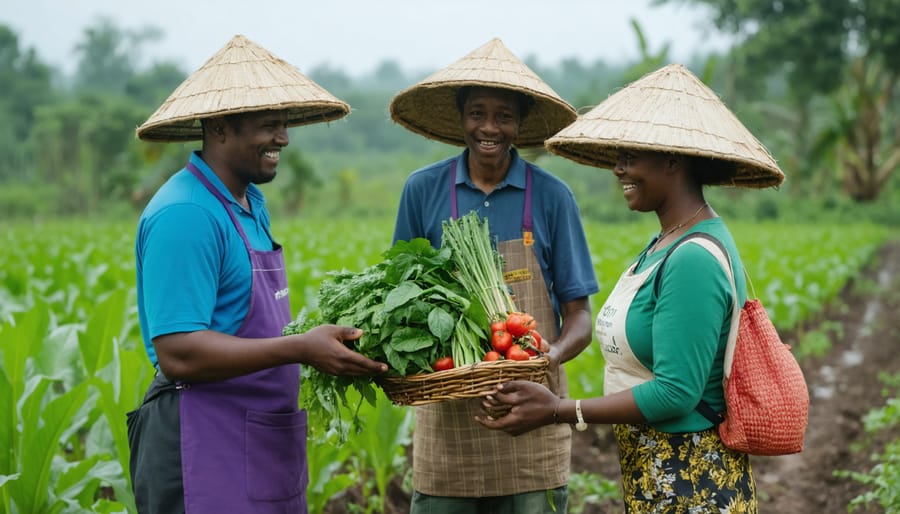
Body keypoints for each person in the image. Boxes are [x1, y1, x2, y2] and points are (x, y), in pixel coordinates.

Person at [476, 63, 787, 513]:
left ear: (672, 159)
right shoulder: (666, 241)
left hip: (691, 479)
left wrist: (561, 409)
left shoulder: (693, 258)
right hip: (658, 470)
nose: (618, 167)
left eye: (630, 155)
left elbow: (676, 392)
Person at [126, 34, 387, 514]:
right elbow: (179, 353)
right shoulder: (186, 214)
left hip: (259, 442)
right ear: (221, 126)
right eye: (270, 126)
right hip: (203, 445)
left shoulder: (249, 202)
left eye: (284, 125)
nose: (283, 139)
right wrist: (301, 348)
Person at [389, 38, 600, 513]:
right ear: (460, 117)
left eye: (504, 115)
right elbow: (401, 297)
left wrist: (549, 356)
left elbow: (579, 315)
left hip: (532, 416)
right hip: (449, 422)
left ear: (520, 124)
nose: (489, 127)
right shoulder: (422, 190)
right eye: (477, 113)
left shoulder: (552, 196)